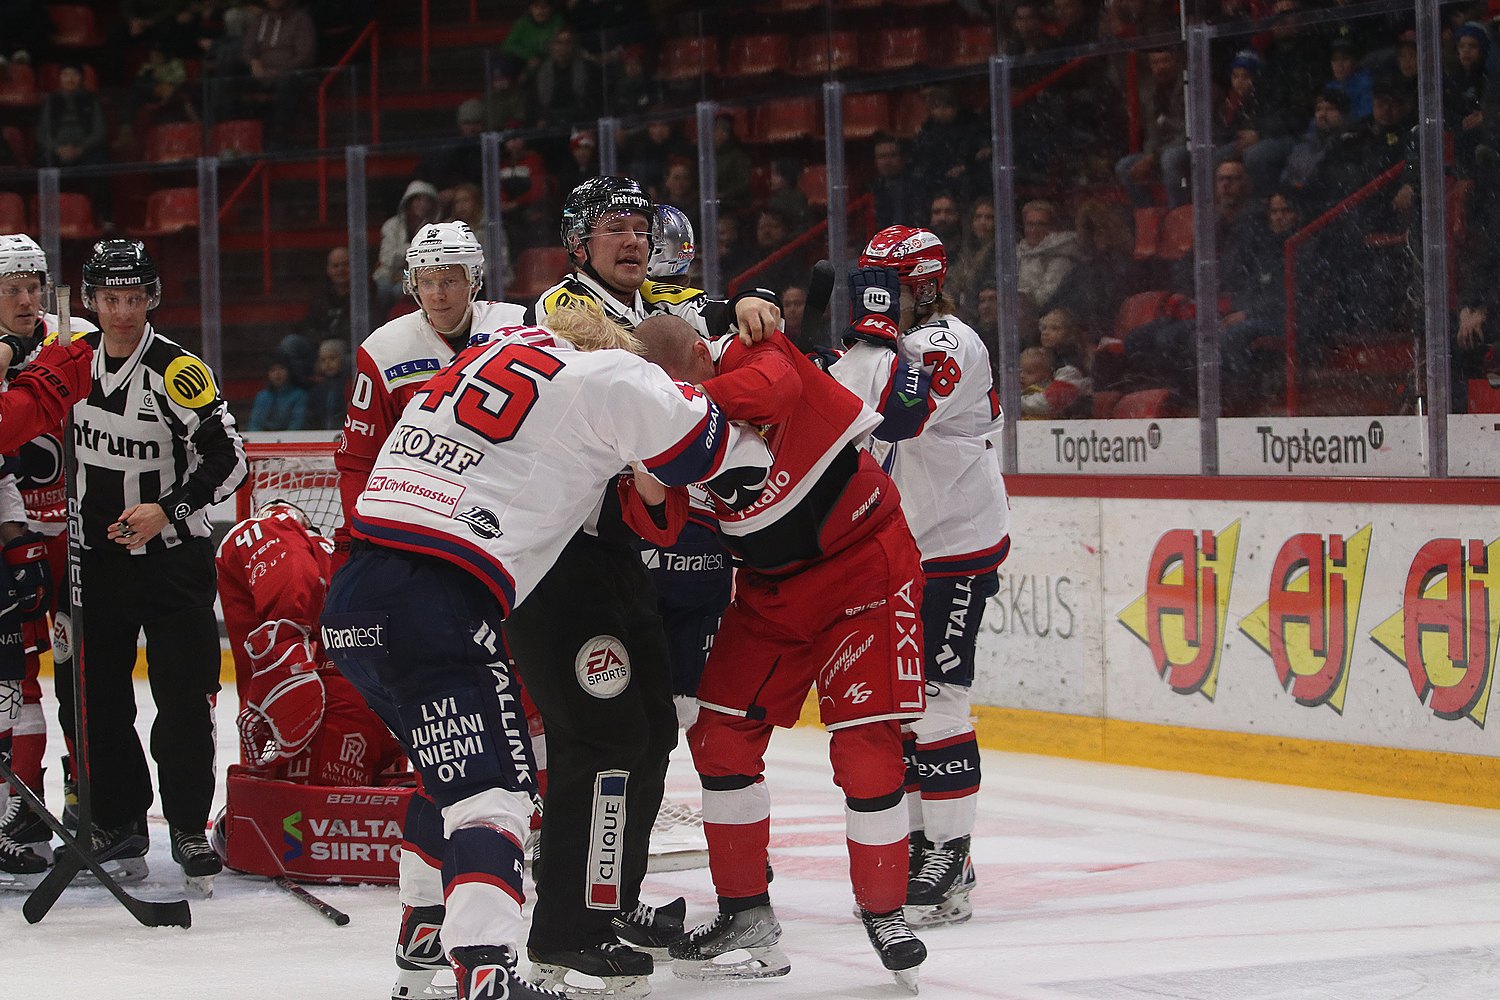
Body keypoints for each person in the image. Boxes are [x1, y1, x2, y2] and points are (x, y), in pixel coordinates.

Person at [322, 305, 773, 1000]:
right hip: (441, 594)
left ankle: (423, 931)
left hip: (356, 589)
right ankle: (490, 972)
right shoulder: (605, 370)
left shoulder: (483, 355)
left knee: (452, 776)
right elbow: (713, 449)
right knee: (495, 795)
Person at [523, 178, 779, 988]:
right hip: (565, 550)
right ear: (579, 244)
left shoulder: (655, 303)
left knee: (648, 735)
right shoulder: (563, 309)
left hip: (618, 553)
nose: (631, 240)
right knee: (598, 740)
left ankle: (610, 903)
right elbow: (639, 370)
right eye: (612, 230)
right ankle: (570, 924)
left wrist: (753, 302)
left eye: (640, 228)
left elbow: (710, 332)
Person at [631, 308, 929, 991]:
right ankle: (746, 917)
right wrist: (640, 456)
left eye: (678, 387)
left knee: (864, 742)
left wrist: (682, 408)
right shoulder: (657, 424)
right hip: (768, 590)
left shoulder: (753, 347)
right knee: (720, 739)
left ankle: (886, 911)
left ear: (700, 364)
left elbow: (774, 393)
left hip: (867, 566)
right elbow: (657, 521)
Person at [334, 220, 528, 1000]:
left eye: (453, 276)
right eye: (428, 279)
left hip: (500, 564)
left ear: (476, 278)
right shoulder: (385, 351)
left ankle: (423, 922)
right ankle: (478, 947)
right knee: (484, 767)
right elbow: (355, 464)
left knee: (445, 753)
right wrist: (393, 554)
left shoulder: (521, 328)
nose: (441, 292)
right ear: (409, 284)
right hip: (432, 580)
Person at [828, 226, 1010, 928]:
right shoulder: (884, 346)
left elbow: (901, 417)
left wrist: (871, 338)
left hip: (957, 547)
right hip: (902, 549)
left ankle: (950, 853)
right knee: (898, 709)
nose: (876, 297)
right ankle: (913, 845)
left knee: (936, 702)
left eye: (889, 284)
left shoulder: (949, 343)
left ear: (925, 284)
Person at [56, 239, 247, 893]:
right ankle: (120, 824)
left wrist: (168, 508)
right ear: (92, 301)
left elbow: (230, 457)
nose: (122, 312)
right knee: (98, 704)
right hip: (95, 565)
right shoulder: (70, 363)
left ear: (151, 299)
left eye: (134, 298)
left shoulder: (177, 370)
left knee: (184, 704)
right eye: (110, 299)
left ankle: (189, 827)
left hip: (172, 564)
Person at [211, 500, 408, 881]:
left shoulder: (270, 527)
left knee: (292, 828)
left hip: (325, 716)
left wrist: (285, 663)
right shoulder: (345, 557)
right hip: (384, 707)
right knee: (372, 814)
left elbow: (287, 565)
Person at [0, 235, 98, 875]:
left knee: (82, 677)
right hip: (14, 537)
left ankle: (86, 798)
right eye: (11, 288)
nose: (27, 298)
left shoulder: (77, 333)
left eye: (34, 285)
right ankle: (22, 809)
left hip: (79, 537)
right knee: (16, 677)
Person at [372, 181, 441, 312]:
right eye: (418, 200)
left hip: (419, 276)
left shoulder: (436, 228)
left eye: (427, 201)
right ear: (409, 202)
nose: (423, 205)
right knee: (383, 288)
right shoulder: (391, 225)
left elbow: (431, 258)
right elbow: (387, 258)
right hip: (388, 274)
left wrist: (408, 271)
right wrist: (414, 249)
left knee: (402, 290)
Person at [1017, 199, 1078, 312]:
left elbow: (1045, 297)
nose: (1034, 230)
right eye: (1030, 224)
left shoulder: (1061, 255)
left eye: (1040, 224)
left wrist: (1021, 299)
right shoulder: (1018, 252)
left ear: (1052, 227)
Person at [247, 359, 307, 431]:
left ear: (289, 371)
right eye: (273, 370)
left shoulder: (299, 395)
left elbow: (297, 422)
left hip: (289, 439)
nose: (277, 373)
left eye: (281, 369)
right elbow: (255, 423)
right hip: (264, 438)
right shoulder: (262, 396)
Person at [304, 338, 349, 431]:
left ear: (342, 359)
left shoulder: (349, 386)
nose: (327, 363)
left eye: (332, 358)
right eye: (323, 360)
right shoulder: (316, 390)